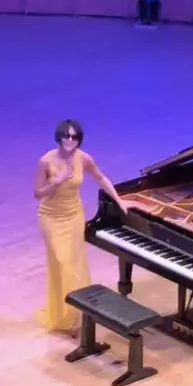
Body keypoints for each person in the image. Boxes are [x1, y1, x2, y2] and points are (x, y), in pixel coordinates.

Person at [34, 118, 124, 336]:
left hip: (74, 215)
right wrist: (56, 182)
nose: (70, 140)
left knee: (75, 265)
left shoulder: (83, 158)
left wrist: (120, 201)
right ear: (60, 136)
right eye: (67, 136)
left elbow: (101, 178)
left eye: (74, 137)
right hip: (51, 216)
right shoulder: (46, 161)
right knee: (62, 262)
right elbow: (37, 193)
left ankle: (78, 316)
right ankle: (63, 315)